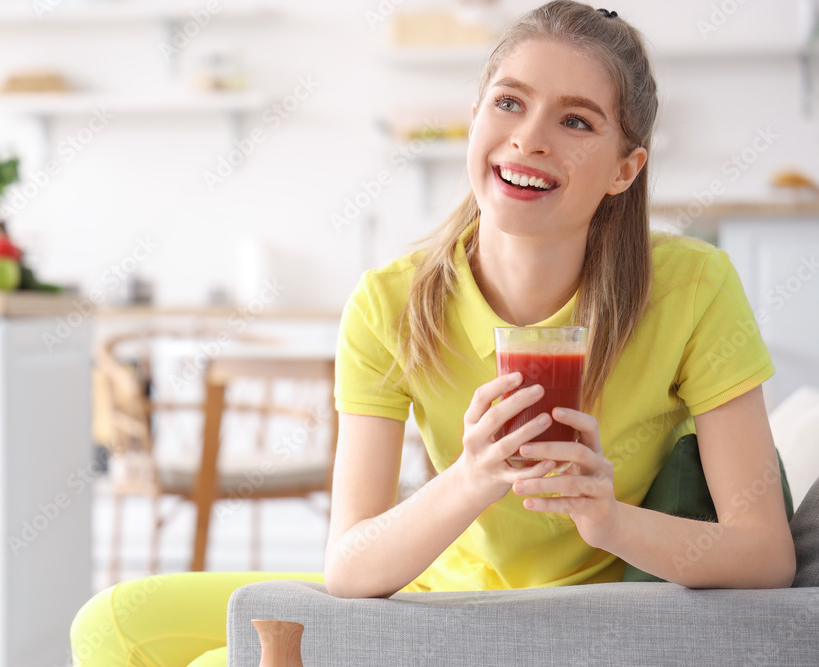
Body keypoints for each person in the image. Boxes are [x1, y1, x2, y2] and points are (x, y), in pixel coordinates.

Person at [69, 2, 796, 664]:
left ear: (625, 169)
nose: (529, 139)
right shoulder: (393, 302)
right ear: (474, 116)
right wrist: (473, 478)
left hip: (580, 620)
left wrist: (609, 521)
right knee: (113, 623)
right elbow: (350, 565)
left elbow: (766, 554)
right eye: (509, 103)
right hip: (424, 605)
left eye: (576, 121)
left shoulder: (693, 289)